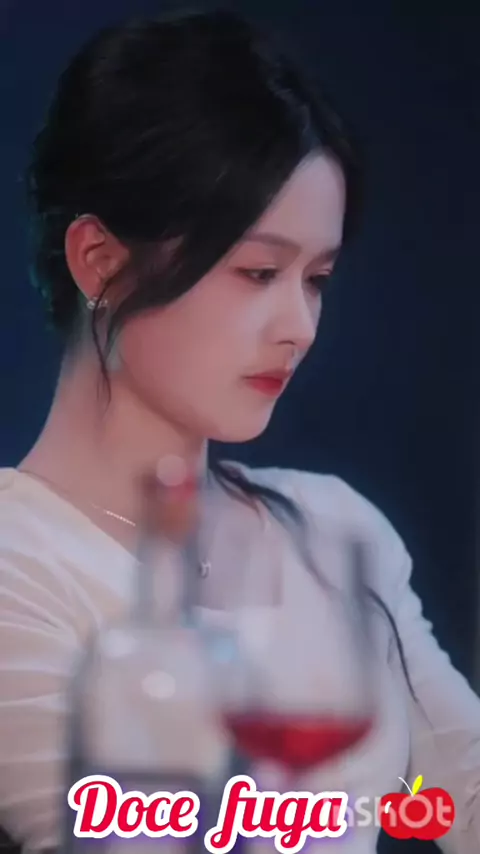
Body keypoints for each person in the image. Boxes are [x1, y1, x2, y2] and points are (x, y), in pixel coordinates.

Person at [0, 7, 479, 853]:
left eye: (316, 279)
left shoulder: (332, 527)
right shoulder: (17, 560)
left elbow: (459, 789)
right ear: (100, 262)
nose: (300, 327)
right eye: (259, 272)